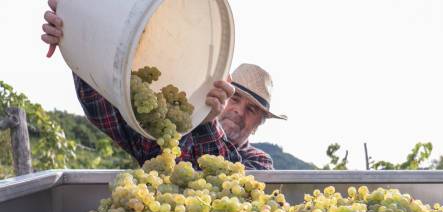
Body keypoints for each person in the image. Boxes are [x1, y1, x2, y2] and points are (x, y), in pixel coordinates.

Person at [41, 0, 286, 170]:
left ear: (258, 125)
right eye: (235, 99)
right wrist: (75, 34)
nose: (238, 111)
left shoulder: (259, 163)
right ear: (222, 91)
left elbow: (222, 182)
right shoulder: (166, 133)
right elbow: (105, 109)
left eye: (251, 109)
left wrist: (207, 122)